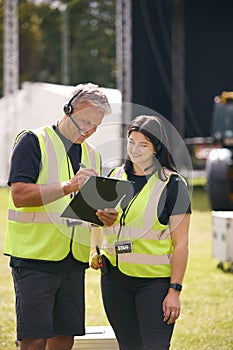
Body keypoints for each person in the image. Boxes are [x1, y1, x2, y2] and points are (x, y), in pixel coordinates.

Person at [4, 83, 118, 350]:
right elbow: (19, 195)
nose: (89, 131)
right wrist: (67, 186)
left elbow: (89, 211)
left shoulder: (93, 156)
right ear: (68, 110)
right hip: (35, 259)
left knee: (65, 338)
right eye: (85, 122)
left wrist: (104, 216)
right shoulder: (33, 141)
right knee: (33, 341)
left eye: (96, 125)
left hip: (73, 261)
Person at [90, 115, 191, 350]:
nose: (134, 149)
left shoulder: (173, 185)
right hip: (114, 281)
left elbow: (182, 244)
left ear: (156, 148)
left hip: (154, 284)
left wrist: (174, 290)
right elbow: (95, 222)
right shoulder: (114, 177)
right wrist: (99, 234)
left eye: (143, 144)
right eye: (131, 141)